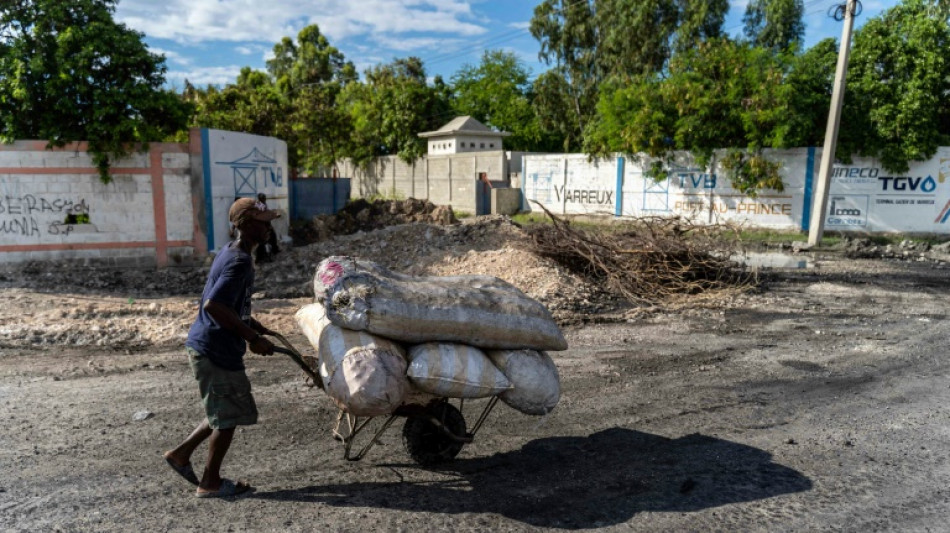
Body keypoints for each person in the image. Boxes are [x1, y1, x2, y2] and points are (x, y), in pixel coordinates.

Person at [163, 197, 279, 498]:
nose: (269, 227)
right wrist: (252, 338)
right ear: (245, 224)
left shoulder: (231, 252)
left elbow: (226, 303)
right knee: (227, 419)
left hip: (211, 345)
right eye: (264, 223)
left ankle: (180, 455)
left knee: (224, 410)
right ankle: (210, 483)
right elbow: (214, 305)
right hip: (215, 348)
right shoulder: (239, 261)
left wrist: (253, 324)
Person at [255, 193, 280, 263]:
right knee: (262, 242)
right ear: (260, 199)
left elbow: (267, 213)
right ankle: (260, 257)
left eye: (264, 198)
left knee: (272, 237)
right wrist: (274, 215)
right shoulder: (259, 206)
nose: (265, 199)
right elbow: (265, 215)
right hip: (261, 226)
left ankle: (274, 250)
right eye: (263, 198)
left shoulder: (263, 204)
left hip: (266, 225)